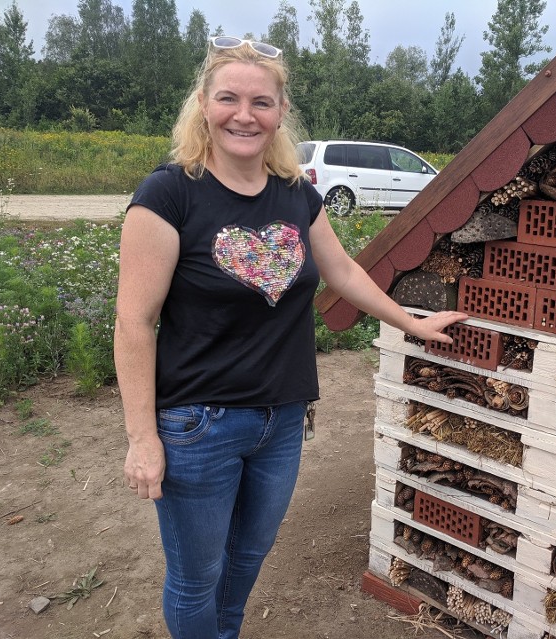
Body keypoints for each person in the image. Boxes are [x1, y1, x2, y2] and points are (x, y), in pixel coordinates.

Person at [113, 35, 467, 639]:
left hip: (281, 419)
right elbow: (133, 323)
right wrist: (143, 438)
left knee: (247, 560)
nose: (244, 115)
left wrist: (412, 323)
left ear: (280, 112)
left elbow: (344, 271)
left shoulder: (296, 192)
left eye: (261, 102)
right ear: (203, 104)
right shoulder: (169, 194)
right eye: (228, 98)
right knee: (197, 576)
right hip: (198, 424)